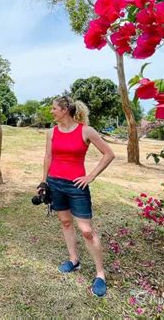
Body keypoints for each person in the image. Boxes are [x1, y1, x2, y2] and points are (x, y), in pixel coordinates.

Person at [40, 95, 115, 297]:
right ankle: (74, 260)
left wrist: (90, 176)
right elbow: (48, 157)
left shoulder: (86, 131)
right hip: (55, 183)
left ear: (64, 110)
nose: (51, 111)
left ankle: (100, 273)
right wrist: (44, 182)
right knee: (65, 222)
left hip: (76, 186)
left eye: (54, 108)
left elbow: (108, 154)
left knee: (87, 230)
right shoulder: (51, 132)